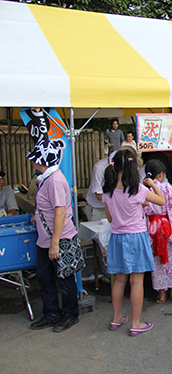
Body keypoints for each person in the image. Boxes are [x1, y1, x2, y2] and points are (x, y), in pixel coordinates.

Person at [102, 149, 165, 337]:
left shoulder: (108, 190)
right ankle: (136, 323)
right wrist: (154, 185)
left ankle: (116, 318)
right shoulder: (138, 189)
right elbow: (161, 201)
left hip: (117, 237)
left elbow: (110, 218)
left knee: (119, 279)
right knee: (137, 281)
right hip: (136, 237)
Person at [26, 141, 80, 332]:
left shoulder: (55, 180)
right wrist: (38, 216)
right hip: (45, 239)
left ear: (41, 160)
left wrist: (55, 243)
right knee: (44, 277)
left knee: (65, 278)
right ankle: (51, 314)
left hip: (59, 239)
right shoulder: (47, 179)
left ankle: (70, 314)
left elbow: (60, 212)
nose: (31, 162)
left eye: (34, 159)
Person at [143, 160, 172, 304]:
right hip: (167, 227)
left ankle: (161, 294)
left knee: (156, 260)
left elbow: (143, 211)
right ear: (161, 175)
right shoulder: (167, 188)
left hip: (153, 228)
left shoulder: (145, 190)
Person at [85, 144, 138, 221]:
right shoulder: (100, 168)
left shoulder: (131, 162)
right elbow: (99, 195)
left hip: (121, 207)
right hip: (100, 209)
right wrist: (121, 199)